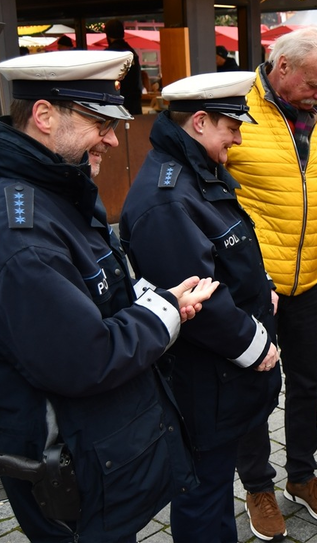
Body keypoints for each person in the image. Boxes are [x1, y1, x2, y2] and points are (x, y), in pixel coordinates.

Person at [0, 50, 219, 542]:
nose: (112, 137)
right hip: (69, 460)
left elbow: (96, 293)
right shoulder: (23, 228)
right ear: (43, 116)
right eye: (99, 121)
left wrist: (153, 299)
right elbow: (86, 356)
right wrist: (162, 315)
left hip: (93, 447)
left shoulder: (60, 188)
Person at [119, 71, 282, 543]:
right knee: (203, 495)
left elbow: (227, 248)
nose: (238, 135)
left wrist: (261, 284)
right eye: (231, 126)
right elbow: (196, 297)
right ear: (200, 123)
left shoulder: (197, 171)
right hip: (206, 379)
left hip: (220, 380)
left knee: (212, 487)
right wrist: (257, 347)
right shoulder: (168, 196)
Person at [225, 26, 317, 539]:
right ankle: (257, 485)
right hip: (257, 287)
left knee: (306, 381)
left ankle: (301, 477)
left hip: (310, 282)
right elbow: (212, 201)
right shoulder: (236, 109)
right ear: (281, 67)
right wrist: (242, 275)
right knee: (256, 386)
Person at [104, 18, 143, 115]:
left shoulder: (108, 54)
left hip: (116, 104)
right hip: (134, 104)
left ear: (107, 35)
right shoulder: (131, 53)